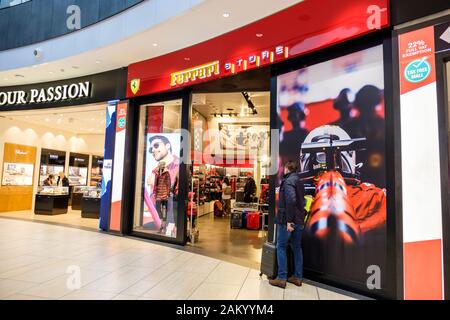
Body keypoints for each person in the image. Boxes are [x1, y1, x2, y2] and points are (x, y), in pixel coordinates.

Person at [269, 161, 305, 289]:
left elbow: (291, 200)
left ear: (287, 168)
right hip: (300, 220)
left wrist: (289, 220)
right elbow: (302, 201)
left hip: (287, 221)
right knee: (296, 247)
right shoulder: (299, 181)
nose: (283, 170)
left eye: (284, 167)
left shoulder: (288, 181)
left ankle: (281, 278)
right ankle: (297, 277)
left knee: (281, 246)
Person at [146, 135, 180, 230]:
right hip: (160, 199)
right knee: (161, 215)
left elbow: (176, 187)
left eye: (156, 146)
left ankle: (168, 228)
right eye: (151, 149)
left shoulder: (179, 165)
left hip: (171, 201)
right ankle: (163, 227)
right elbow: (152, 197)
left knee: (169, 215)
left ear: (168, 146)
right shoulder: (154, 171)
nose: (153, 150)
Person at [152, 161, 172, 234]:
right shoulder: (157, 173)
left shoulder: (167, 173)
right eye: (160, 165)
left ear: (164, 166)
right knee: (157, 208)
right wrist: (154, 192)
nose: (160, 166)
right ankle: (162, 223)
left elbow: (169, 184)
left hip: (164, 194)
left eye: (162, 165)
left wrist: (168, 193)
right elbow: (155, 183)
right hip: (158, 194)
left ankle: (163, 226)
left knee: (164, 211)